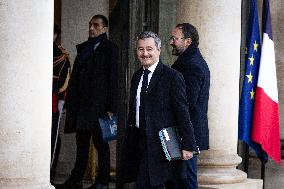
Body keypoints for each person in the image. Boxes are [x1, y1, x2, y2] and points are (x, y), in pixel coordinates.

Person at [119, 31, 198, 189]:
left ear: (159, 50)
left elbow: (182, 113)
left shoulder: (172, 77)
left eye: (149, 49)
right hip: (139, 144)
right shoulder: (136, 77)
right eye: (140, 49)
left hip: (162, 146)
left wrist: (189, 145)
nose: (145, 53)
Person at [57, 15, 118, 189]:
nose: (91, 28)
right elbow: (76, 79)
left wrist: (111, 107)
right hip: (82, 106)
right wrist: (70, 104)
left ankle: (102, 183)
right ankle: (75, 180)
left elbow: (113, 79)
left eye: (96, 25)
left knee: (101, 144)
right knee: (81, 144)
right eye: (90, 25)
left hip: (100, 107)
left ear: (104, 28)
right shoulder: (85, 48)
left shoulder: (110, 49)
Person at [169, 23, 210, 189]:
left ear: (188, 41)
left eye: (174, 38)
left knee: (185, 180)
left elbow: (187, 104)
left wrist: (186, 142)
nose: (171, 42)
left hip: (186, 134)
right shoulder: (189, 61)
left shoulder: (191, 64)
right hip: (185, 133)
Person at [51, 24, 71, 180]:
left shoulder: (61, 56)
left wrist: (62, 100)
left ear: (55, 35)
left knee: (52, 136)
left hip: (53, 100)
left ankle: (50, 170)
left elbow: (65, 80)